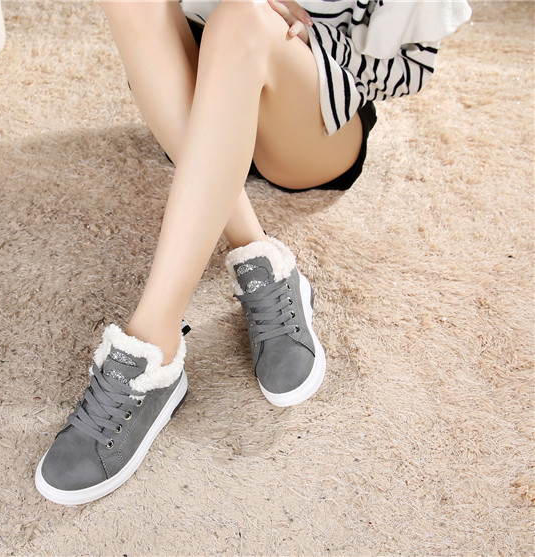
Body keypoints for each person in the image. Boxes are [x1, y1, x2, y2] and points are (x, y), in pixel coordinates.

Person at [35, 0, 471, 505]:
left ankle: (153, 343)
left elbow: (410, 68)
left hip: (307, 118)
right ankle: (261, 262)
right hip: (202, 100)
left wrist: (306, 37)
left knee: (243, 18)